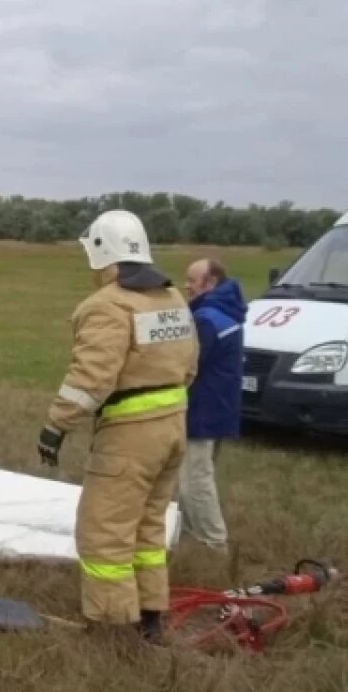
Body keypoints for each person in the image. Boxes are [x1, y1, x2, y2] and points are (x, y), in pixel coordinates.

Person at [37, 210, 197, 644]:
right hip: (174, 428)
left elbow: (92, 378)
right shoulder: (173, 300)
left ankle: (111, 629)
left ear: (101, 253)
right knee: (147, 529)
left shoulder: (107, 305)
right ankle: (150, 618)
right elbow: (189, 367)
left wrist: (56, 426)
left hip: (130, 436)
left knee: (104, 532)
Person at [178, 258, 246, 552]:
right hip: (220, 406)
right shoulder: (226, 312)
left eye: (192, 281)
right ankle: (188, 535)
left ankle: (214, 544)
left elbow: (187, 366)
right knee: (192, 476)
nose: (186, 286)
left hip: (203, 409)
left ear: (211, 283)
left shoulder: (206, 319)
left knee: (194, 481)